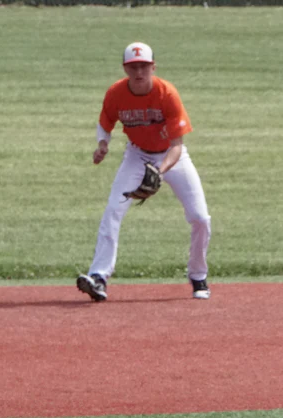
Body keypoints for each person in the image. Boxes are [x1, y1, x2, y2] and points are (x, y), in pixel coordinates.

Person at [76, 42, 212, 302]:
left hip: (172, 158)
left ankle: (198, 275)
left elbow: (177, 145)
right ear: (125, 68)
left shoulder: (166, 93)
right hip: (136, 155)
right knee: (113, 210)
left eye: (144, 66)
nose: (139, 72)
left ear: (153, 67)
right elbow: (105, 123)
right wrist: (103, 145)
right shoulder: (116, 93)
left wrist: (158, 172)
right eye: (133, 67)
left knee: (200, 218)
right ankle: (99, 276)